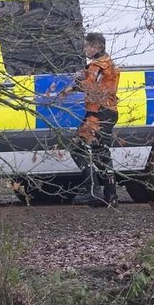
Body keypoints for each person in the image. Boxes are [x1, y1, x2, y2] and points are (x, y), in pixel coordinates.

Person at [67, 32, 121, 207]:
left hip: (98, 113)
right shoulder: (107, 63)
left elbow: (90, 85)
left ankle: (92, 190)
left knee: (77, 147)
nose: (86, 49)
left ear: (98, 47)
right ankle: (111, 196)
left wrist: (75, 84)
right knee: (100, 152)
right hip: (107, 111)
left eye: (88, 46)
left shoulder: (98, 66)